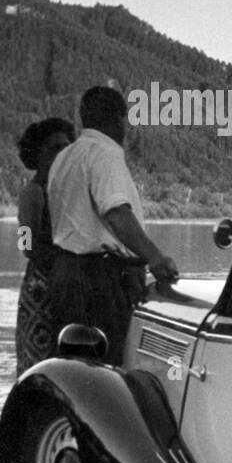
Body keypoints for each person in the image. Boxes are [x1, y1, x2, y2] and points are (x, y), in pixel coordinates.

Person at [47, 86, 180, 365]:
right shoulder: (105, 154)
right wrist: (155, 257)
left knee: (73, 365)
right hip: (102, 281)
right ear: (120, 119)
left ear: (84, 117)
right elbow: (117, 214)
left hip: (66, 275)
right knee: (107, 368)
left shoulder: (64, 158)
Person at [14, 118, 76, 375]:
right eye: (53, 147)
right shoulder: (34, 192)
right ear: (37, 153)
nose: (61, 153)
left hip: (63, 281)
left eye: (66, 147)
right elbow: (26, 244)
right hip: (42, 286)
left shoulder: (65, 189)